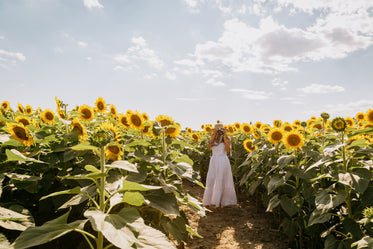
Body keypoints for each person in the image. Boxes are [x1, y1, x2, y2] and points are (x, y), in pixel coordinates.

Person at [203, 123, 237, 210]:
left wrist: (225, 136)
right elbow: (208, 147)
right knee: (211, 179)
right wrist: (214, 135)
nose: (219, 132)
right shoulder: (214, 138)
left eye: (221, 130)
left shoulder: (227, 138)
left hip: (223, 161)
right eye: (218, 130)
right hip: (214, 160)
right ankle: (208, 202)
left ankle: (221, 202)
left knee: (222, 180)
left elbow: (227, 150)